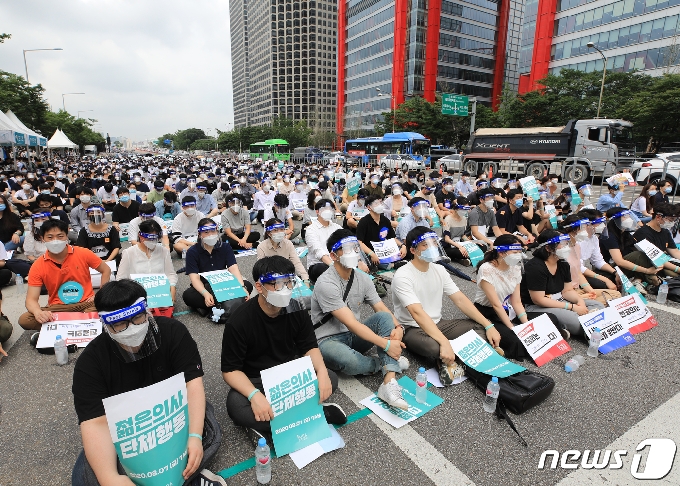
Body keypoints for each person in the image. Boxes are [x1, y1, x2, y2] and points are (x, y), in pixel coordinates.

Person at [71, 280, 216, 485]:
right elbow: (95, 422)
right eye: (120, 323)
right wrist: (109, 477)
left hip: (173, 417)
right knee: (87, 478)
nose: (131, 328)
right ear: (106, 324)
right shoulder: (91, 362)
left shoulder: (173, 332)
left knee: (206, 434)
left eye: (138, 317)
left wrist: (194, 436)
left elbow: (192, 384)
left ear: (147, 310)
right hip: (130, 433)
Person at [221, 255, 346, 442]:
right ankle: (313, 414)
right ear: (259, 286)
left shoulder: (296, 308)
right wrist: (254, 395)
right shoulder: (239, 322)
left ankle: (270, 425)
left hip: (290, 376)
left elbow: (309, 346)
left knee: (330, 377)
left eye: (289, 283)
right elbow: (230, 370)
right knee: (235, 405)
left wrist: (320, 372)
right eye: (277, 284)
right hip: (257, 379)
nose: (285, 289)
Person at [391, 227, 503, 385]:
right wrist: (443, 342)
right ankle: (458, 355)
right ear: (412, 250)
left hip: (438, 323)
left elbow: (460, 300)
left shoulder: (439, 269)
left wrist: (488, 325)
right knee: (433, 347)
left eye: (434, 243)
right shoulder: (403, 275)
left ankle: (450, 361)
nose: (432, 248)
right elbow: (417, 313)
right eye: (425, 245)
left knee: (480, 328)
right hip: (412, 328)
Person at [311, 230, 410, 409]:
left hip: (352, 335)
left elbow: (380, 308)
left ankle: (389, 383)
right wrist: (387, 345)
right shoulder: (326, 283)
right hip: (328, 339)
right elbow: (352, 323)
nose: (354, 252)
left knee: (383, 317)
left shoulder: (363, 278)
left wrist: (399, 328)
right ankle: (387, 363)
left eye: (355, 247)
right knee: (350, 363)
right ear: (333, 255)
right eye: (347, 249)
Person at [472, 234, 557, 360]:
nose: (518, 255)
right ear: (501, 253)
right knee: (516, 340)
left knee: (550, 318)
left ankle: (538, 342)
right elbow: (496, 305)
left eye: (520, 251)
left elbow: (516, 301)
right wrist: (513, 328)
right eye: (515, 252)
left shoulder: (516, 268)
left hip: (508, 308)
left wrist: (527, 325)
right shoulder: (487, 269)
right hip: (488, 311)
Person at [20, 219, 112, 332]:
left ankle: (62, 326)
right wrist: (38, 312)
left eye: (60, 236)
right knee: (25, 319)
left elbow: (106, 270)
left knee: (111, 306)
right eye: (50, 237)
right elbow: (31, 299)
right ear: (43, 239)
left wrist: (100, 295)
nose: (55, 240)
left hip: (87, 304)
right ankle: (84, 323)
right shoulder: (38, 265)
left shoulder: (83, 252)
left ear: (67, 236)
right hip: (58, 307)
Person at [519, 230, 604, 339]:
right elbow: (538, 299)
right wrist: (572, 307)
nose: (566, 247)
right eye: (562, 244)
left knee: (598, 306)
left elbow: (567, 291)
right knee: (575, 321)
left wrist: (580, 301)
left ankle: (586, 326)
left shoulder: (563, 264)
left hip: (560, 300)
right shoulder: (535, 267)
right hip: (537, 306)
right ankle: (585, 327)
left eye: (566, 243)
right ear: (548, 248)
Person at [182, 219, 252, 317]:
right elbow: (194, 278)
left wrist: (242, 287)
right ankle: (226, 304)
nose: (210, 234)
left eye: (213, 231)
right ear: (199, 234)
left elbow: (233, 269)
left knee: (248, 285)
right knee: (188, 295)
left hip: (223, 284)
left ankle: (211, 307)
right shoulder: (192, 252)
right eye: (206, 232)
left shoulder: (225, 247)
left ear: (217, 231)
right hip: (205, 286)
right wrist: (205, 294)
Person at [117, 220, 178, 317]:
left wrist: (172, 289)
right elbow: (121, 279)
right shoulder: (129, 253)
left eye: (156, 238)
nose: (153, 242)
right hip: (137, 293)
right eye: (150, 238)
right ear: (140, 236)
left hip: (159, 293)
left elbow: (170, 274)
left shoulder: (163, 251)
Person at [600, 208, 660, 290]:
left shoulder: (625, 234)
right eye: (625, 217)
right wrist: (647, 271)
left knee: (645, 253)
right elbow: (619, 261)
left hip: (623, 264)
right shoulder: (609, 236)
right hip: (611, 267)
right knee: (638, 255)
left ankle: (640, 280)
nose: (629, 219)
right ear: (615, 219)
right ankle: (648, 278)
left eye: (629, 216)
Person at [629, 203, 680, 280]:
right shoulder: (643, 233)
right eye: (670, 220)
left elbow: (674, 251)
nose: (672, 223)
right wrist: (677, 269)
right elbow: (656, 259)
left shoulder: (665, 231)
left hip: (662, 263)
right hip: (652, 266)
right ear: (658, 217)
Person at [356, 195, 407, 269]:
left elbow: (392, 238)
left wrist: (403, 246)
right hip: (370, 251)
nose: (379, 205)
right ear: (369, 207)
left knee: (402, 250)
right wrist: (372, 254)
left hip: (383, 250)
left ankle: (393, 262)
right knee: (371, 260)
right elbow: (359, 242)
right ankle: (393, 265)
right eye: (376, 203)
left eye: (380, 203)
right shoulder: (363, 222)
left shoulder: (385, 220)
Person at [257, 219, 309, 283]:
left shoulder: (288, 244)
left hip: (285, 275)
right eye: (275, 230)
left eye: (282, 229)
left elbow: (296, 262)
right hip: (270, 277)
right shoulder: (262, 247)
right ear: (269, 233)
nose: (279, 232)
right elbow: (261, 268)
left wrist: (305, 279)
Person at [305, 198, 343, 283]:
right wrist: (334, 267)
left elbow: (346, 245)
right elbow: (319, 252)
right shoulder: (311, 229)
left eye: (330, 209)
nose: (328, 211)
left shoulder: (337, 227)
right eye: (325, 209)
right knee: (322, 269)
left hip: (338, 262)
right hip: (319, 264)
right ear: (317, 211)